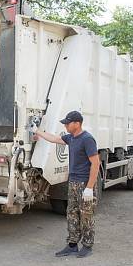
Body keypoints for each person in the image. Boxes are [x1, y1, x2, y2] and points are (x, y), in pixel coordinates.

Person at [30, 111, 100, 258]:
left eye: (68, 123)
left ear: (77, 123)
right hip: (73, 182)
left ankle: (87, 245)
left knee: (86, 214)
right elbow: (55, 139)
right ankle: (72, 244)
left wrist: (89, 188)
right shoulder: (71, 138)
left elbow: (95, 164)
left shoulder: (87, 139)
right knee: (72, 213)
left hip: (84, 183)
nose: (66, 125)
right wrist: (38, 132)